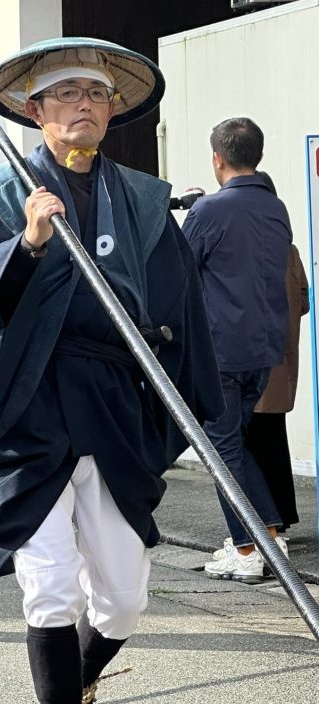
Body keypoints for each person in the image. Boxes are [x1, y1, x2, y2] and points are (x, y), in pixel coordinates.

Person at [0, 41, 223, 704]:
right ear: (35, 112)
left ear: (114, 108)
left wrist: (197, 410)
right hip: (30, 404)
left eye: (95, 93)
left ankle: (78, 685)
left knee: (124, 592)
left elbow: (181, 311)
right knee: (51, 585)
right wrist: (25, 245)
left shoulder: (149, 203)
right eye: (65, 96)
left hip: (113, 402)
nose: (83, 105)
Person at [181, 119, 292, 583]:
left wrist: (191, 210)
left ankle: (247, 549)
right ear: (258, 156)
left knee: (222, 450)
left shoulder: (210, 210)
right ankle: (269, 535)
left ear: (217, 158)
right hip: (265, 347)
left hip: (221, 349)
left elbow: (182, 266)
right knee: (236, 446)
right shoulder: (276, 207)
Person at [244, 173, 308, 534]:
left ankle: (266, 521)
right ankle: (282, 514)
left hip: (252, 359)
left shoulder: (247, 249)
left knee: (250, 442)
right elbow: (303, 301)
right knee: (273, 438)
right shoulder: (290, 249)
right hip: (283, 359)